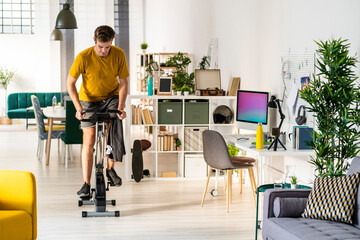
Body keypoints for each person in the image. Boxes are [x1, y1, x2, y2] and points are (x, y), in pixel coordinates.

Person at [67, 25, 129, 197]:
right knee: (90, 139)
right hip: (89, 100)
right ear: (94, 41)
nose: (103, 51)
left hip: (111, 97)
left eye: (107, 47)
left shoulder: (119, 54)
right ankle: (86, 183)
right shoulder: (83, 57)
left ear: (111, 43)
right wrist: (79, 108)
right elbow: (70, 83)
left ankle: (110, 169)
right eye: (100, 46)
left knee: (114, 127)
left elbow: (124, 83)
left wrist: (121, 107)